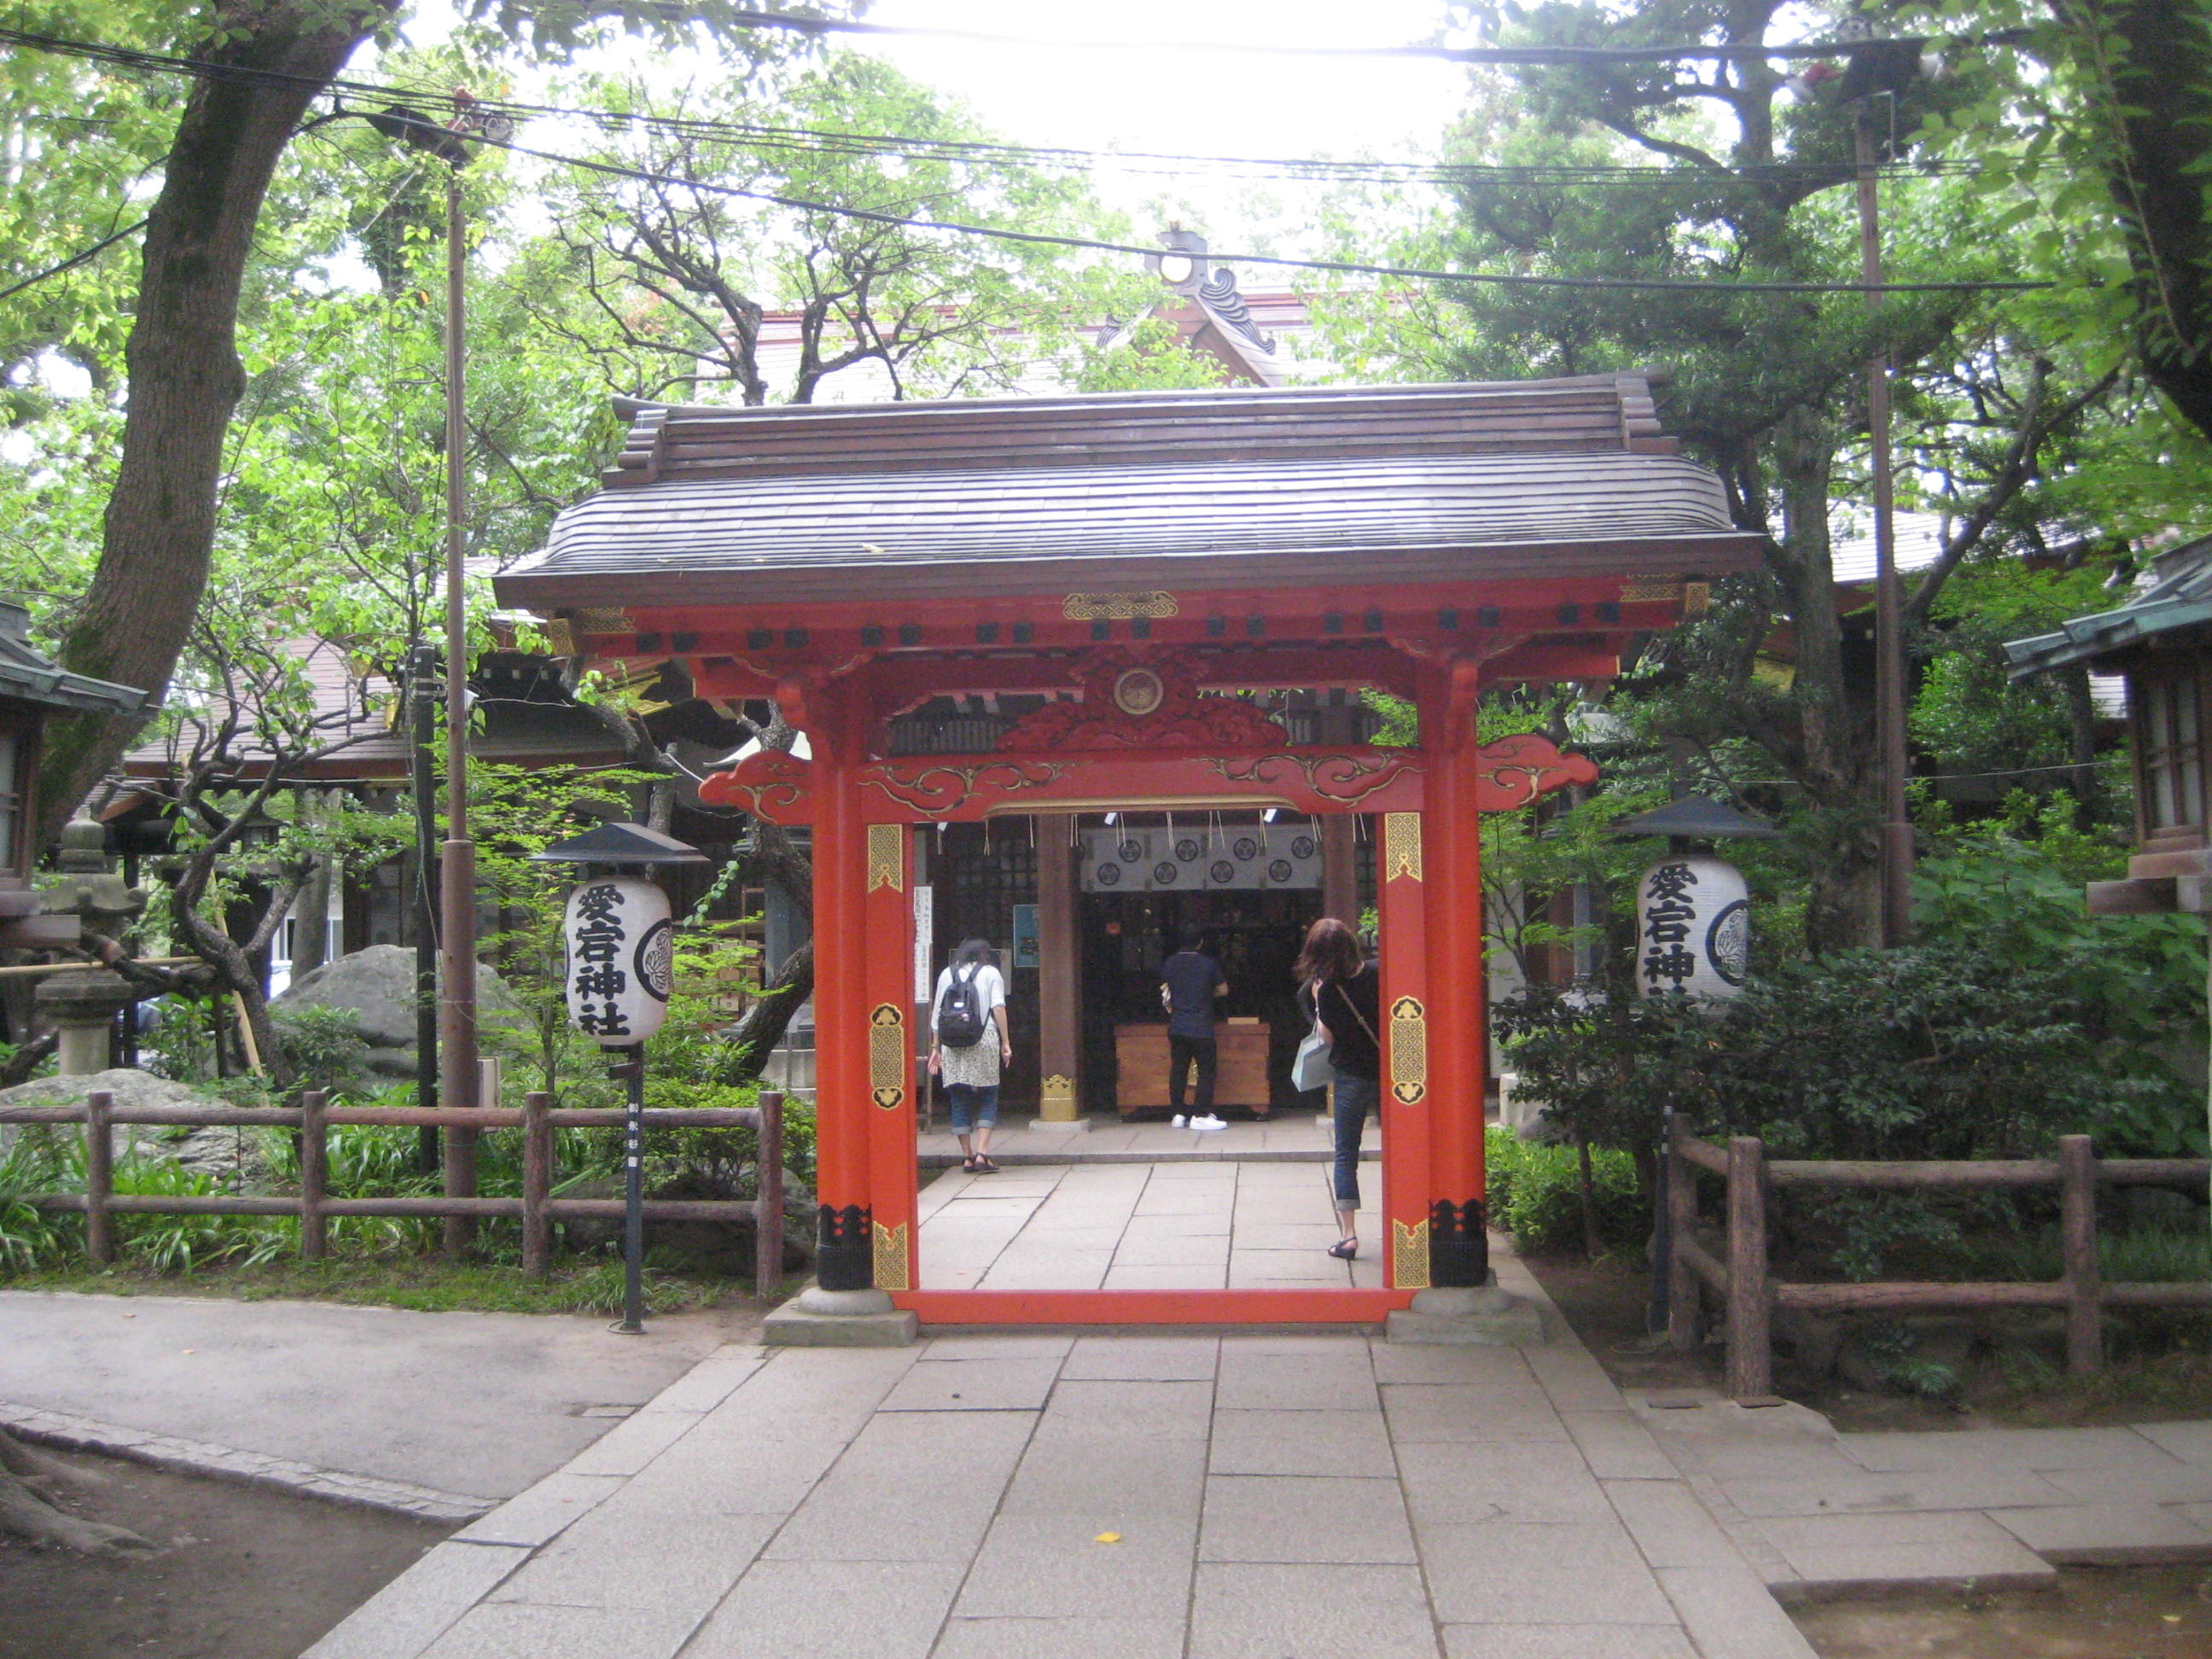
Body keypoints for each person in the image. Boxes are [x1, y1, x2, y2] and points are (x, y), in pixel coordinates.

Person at [1295, 917, 1381, 1260]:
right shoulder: (1379, 971)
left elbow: (1327, 1038)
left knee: (1346, 1153)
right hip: (1393, 1073)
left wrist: (1319, 1004)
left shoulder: (1329, 990)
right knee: (1407, 1145)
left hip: (1352, 1074)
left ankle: (1348, 1237)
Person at [928, 937, 1012, 1173]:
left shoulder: (947, 973)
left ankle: (967, 1156)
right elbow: (998, 1007)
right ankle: (982, 1153)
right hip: (984, 1037)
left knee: (959, 1095)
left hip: (951, 1042)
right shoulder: (991, 973)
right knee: (988, 1093)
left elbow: (937, 1013)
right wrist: (1005, 1042)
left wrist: (935, 1048)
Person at [1160, 923, 1227, 1121]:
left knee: (1178, 1070)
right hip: (1201, 1026)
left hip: (1177, 1025)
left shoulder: (1170, 963)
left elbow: (1165, 989)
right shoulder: (1209, 964)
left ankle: (1178, 1113)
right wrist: (1207, 994)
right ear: (1201, 943)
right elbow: (1223, 990)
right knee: (1206, 1071)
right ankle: (1201, 1113)